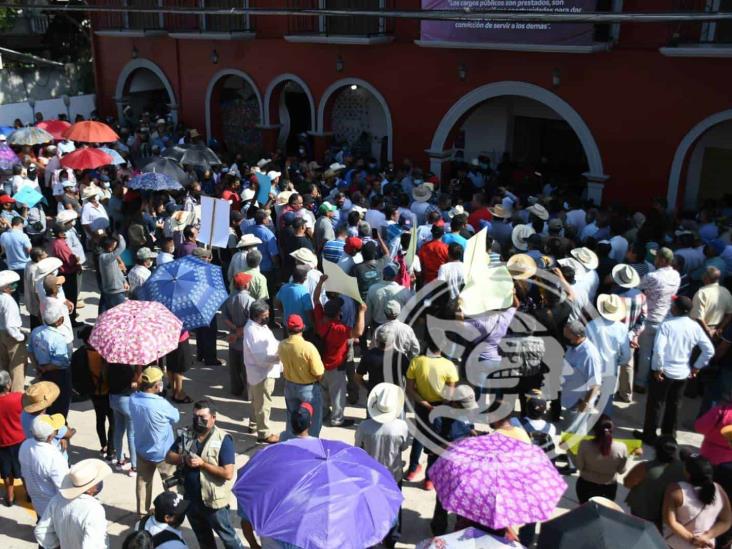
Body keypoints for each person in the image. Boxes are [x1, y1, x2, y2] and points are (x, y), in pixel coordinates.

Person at [166, 399, 244, 549]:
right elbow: (169, 457)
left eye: (203, 418)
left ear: (213, 418)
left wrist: (203, 464)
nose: (198, 421)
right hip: (190, 500)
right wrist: (184, 458)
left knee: (229, 539)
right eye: (195, 417)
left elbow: (228, 473)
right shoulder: (186, 434)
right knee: (204, 540)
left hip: (213, 503)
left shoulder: (223, 439)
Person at [635, 296, 714, 444]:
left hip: (664, 372)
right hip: (682, 373)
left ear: (676, 309)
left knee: (655, 404)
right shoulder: (695, 326)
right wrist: (697, 366)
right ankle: (669, 436)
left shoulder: (667, 325)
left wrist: (658, 368)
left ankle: (650, 435)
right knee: (674, 405)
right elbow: (708, 350)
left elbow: (659, 349)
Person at [355, 383, 411, 548]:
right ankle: (391, 538)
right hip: (393, 475)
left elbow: (358, 448)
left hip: (370, 476)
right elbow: (405, 446)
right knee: (394, 507)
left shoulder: (364, 427)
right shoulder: (401, 427)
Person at [405, 339, 459, 488]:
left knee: (419, 436)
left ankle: (412, 469)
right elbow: (450, 394)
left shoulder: (416, 361)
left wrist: (425, 404)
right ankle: (429, 479)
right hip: (440, 408)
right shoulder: (449, 365)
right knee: (435, 441)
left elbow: (410, 389)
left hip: (421, 406)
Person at [313, 275, 366, 427]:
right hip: (335, 366)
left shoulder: (320, 318)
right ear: (338, 313)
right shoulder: (339, 329)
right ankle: (337, 419)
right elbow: (358, 333)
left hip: (320, 364)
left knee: (323, 391)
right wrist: (361, 312)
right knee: (337, 395)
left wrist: (321, 282)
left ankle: (323, 414)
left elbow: (316, 299)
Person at [129, 366, 179, 516]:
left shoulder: (133, 399)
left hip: (142, 450)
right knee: (170, 483)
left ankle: (142, 513)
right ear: (156, 385)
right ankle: (173, 513)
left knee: (143, 483)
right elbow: (176, 417)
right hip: (164, 453)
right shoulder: (161, 404)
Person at [34, 458, 112, 548]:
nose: (100, 482)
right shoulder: (94, 510)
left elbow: (41, 531)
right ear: (91, 489)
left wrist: (55, 545)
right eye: (97, 481)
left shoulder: (56, 500)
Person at [663, 454, 732, 548]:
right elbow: (726, 521)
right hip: (705, 545)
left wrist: (692, 539)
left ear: (688, 473)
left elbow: (670, 521)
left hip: (675, 545)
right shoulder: (719, 490)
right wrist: (706, 537)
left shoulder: (676, 490)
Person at [636, 247, 680, 391]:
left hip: (650, 319)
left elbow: (637, 285)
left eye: (656, 257)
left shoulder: (653, 276)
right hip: (666, 319)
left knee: (645, 353)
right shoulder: (676, 275)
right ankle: (654, 380)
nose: (654, 260)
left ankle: (641, 383)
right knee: (659, 351)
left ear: (662, 260)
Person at [71, 326, 114, 460]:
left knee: (99, 419)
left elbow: (74, 377)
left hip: (93, 393)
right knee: (113, 421)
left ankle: (103, 445)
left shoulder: (78, 355)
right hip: (109, 392)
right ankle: (111, 449)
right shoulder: (106, 353)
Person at [624, 436, 686, 528]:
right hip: (669, 515)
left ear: (655, 450)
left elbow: (627, 483)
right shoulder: (684, 468)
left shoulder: (644, 468)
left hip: (644, 512)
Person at [279, 314, 324, 437]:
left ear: (287, 328)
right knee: (313, 423)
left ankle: (292, 445)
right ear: (302, 328)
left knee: (292, 421)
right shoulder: (308, 347)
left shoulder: (282, 345)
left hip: (289, 386)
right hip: (308, 389)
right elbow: (319, 372)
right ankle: (310, 447)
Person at [242, 300, 281, 444]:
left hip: (260, 372)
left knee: (256, 401)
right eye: (265, 315)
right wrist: (279, 357)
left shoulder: (260, 326)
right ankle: (264, 433)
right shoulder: (253, 331)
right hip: (262, 373)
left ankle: (253, 424)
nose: (268, 317)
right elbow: (261, 358)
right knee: (263, 403)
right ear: (257, 315)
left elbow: (272, 341)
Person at [586, 294, 631, 414]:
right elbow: (626, 353)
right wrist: (619, 362)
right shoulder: (622, 329)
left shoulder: (591, 325)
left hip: (593, 366)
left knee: (590, 394)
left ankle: (587, 419)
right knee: (607, 396)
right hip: (611, 367)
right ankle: (604, 422)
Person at [19, 414, 69, 517]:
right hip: (54, 509)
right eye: (56, 430)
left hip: (37, 502)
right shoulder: (55, 457)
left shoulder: (25, 445)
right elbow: (63, 488)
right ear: (50, 436)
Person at [30, 301, 73, 418]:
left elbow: (30, 352)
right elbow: (60, 362)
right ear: (60, 321)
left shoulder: (35, 332)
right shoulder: (59, 338)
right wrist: (45, 368)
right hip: (59, 375)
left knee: (46, 401)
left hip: (43, 372)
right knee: (61, 405)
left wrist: (38, 368)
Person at [561, 320, 602, 439]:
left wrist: (586, 403)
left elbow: (595, 384)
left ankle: (574, 455)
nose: (566, 340)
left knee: (576, 433)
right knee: (569, 430)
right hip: (570, 397)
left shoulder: (589, 355)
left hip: (579, 402)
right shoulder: (574, 346)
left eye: (568, 337)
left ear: (578, 336)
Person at [611, 263, 646, 403]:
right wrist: (635, 335)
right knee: (628, 365)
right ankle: (626, 394)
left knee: (613, 366)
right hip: (631, 336)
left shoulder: (615, 297)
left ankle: (611, 393)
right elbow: (643, 318)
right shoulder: (641, 296)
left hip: (615, 336)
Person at [575, 415, 628, 503]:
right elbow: (621, 471)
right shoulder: (621, 447)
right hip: (608, 488)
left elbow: (579, 466)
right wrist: (632, 456)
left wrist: (568, 450)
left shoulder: (584, 445)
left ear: (594, 429)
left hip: (586, 486)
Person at [221, 272, 255, 398]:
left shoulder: (229, 298)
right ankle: (248, 394)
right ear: (246, 285)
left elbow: (224, 317)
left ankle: (235, 389)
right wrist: (240, 331)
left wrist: (234, 329)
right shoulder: (250, 301)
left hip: (233, 339)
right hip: (246, 340)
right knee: (247, 368)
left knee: (234, 368)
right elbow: (251, 322)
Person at [0, 270, 27, 392]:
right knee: (18, 367)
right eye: (12, 284)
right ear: (6, 288)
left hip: (1, 334)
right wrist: (21, 337)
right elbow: (11, 325)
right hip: (11, 336)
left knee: (3, 364)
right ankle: (17, 395)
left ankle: (4, 391)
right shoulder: (9, 301)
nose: (15, 286)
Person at [0, 370, 23, 506]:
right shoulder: (18, 398)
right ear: (8, 385)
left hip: (2, 443)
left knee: (6, 472)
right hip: (19, 440)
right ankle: (30, 495)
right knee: (24, 470)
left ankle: (9, 497)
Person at [691, 266, 732, 340]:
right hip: (716, 332)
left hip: (699, 331)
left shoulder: (701, 293)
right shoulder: (726, 291)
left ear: (705, 278)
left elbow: (698, 317)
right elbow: (729, 314)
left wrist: (708, 330)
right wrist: (720, 329)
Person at [276, 265, 314, 335]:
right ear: (305, 278)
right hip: (302, 328)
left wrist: (284, 312)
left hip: (287, 325)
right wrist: (313, 325)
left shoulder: (283, 287)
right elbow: (309, 312)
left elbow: (277, 303)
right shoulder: (304, 292)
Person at [0, 216, 31, 302]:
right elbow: (29, 250)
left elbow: (3, 250)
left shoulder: (3, 236)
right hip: (25, 267)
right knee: (27, 291)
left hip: (11, 268)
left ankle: (16, 310)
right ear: (20, 224)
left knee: (14, 292)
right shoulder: (23, 236)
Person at [97, 234, 128, 312]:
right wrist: (120, 235)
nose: (116, 247)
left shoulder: (109, 257)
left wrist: (124, 281)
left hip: (116, 290)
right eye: (114, 245)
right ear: (110, 247)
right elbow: (122, 247)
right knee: (121, 314)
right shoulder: (105, 257)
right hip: (114, 292)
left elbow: (117, 271)